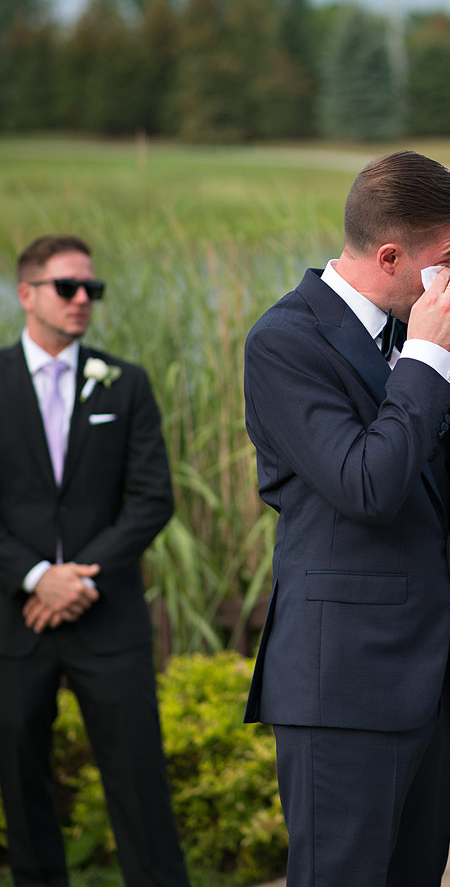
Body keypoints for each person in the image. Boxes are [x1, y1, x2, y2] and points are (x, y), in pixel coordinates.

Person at [243, 150, 450, 887]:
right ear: (394, 255)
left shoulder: (412, 334)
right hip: (343, 687)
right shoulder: (285, 343)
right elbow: (366, 485)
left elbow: (444, 516)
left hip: (430, 683)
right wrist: (430, 359)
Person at [0, 235, 190, 887]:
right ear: (26, 294)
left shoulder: (126, 382)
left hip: (108, 618)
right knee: (22, 791)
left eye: (93, 289)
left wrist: (76, 578)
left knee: (141, 788)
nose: (83, 299)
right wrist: (35, 578)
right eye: (67, 287)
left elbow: (151, 498)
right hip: (14, 621)